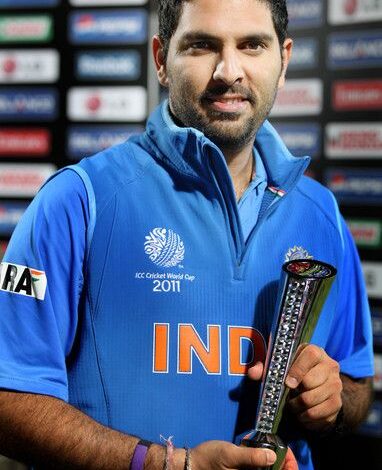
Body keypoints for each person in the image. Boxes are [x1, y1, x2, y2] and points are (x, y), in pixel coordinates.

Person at [0, 0, 374, 469]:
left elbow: (358, 388)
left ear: (283, 61)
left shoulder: (323, 215)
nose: (228, 70)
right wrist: (170, 465)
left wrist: (330, 400)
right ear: (161, 59)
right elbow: (8, 400)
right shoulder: (77, 201)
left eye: (252, 45)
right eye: (202, 45)